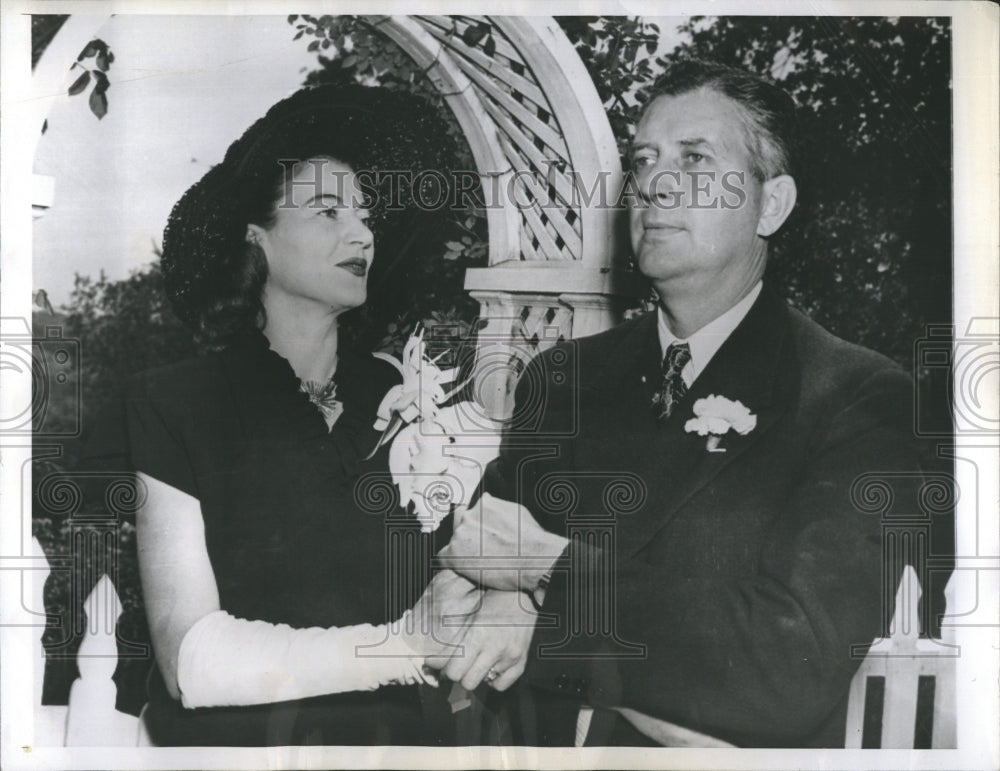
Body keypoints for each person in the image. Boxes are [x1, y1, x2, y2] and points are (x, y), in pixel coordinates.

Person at [434, 59, 925, 748]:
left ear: (772, 204)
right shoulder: (564, 376)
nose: (655, 183)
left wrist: (545, 574)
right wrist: (514, 586)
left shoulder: (855, 398)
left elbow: (786, 668)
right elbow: (472, 559)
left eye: (695, 159)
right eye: (643, 161)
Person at [126, 84, 481, 746]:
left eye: (366, 215)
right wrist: (401, 645)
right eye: (327, 211)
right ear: (256, 239)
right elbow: (188, 661)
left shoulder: (408, 394)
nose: (361, 232)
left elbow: (470, 577)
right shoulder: (175, 402)